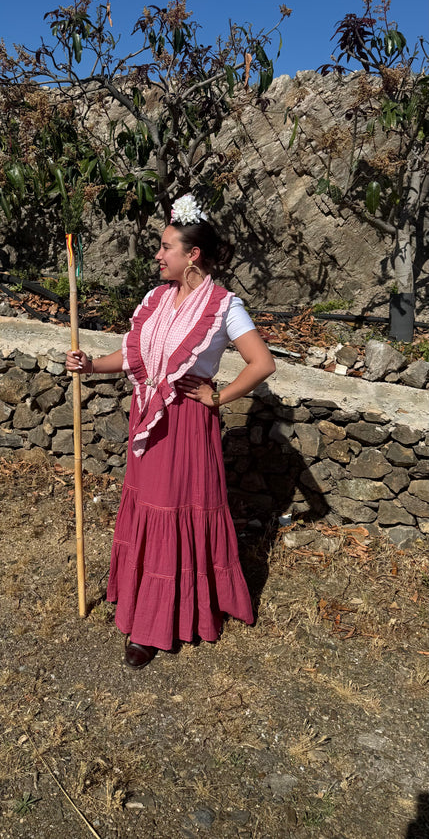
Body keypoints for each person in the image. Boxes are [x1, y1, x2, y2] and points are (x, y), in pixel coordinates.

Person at [66, 194, 275, 669]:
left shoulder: (224, 307)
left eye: (166, 247)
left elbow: (262, 363)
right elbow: (135, 358)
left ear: (192, 254)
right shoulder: (158, 300)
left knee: (171, 511)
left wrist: (219, 397)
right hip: (148, 420)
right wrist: (91, 365)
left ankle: (154, 627)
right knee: (148, 507)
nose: (158, 256)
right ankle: (142, 602)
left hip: (187, 427)